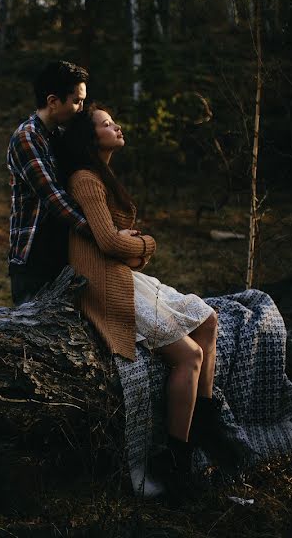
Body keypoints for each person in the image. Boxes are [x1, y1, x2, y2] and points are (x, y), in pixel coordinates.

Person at [55, 104, 248, 499]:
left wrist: (129, 247)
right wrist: (145, 244)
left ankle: (206, 420)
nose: (117, 126)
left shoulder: (102, 177)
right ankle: (178, 463)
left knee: (208, 319)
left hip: (123, 274)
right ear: (91, 138)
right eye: (107, 124)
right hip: (104, 284)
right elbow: (109, 243)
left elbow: (114, 241)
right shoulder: (85, 179)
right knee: (190, 356)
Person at [6, 60, 92, 305]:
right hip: (34, 260)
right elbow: (55, 199)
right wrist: (102, 235)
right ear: (53, 101)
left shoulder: (58, 136)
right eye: (77, 101)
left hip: (62, 254)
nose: (81, 108)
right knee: (35, 333)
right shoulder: (27, 138)